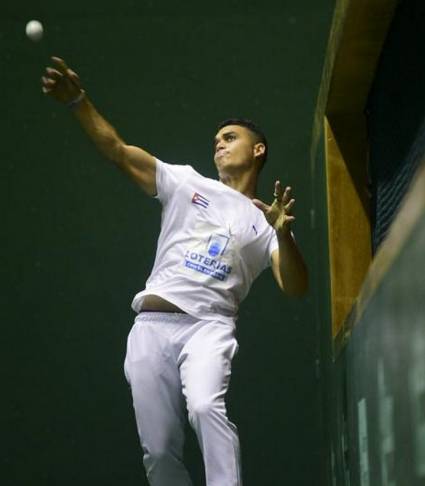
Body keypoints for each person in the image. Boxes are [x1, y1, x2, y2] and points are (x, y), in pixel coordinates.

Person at [41, 56, 308, 486]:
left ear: (258, 150)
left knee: (205, 407)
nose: (218, 143)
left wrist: (285, 235)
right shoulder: (185, 182)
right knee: (160, 452)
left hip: (209, 328)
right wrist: (79, 103)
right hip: (150, 327)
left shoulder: (266, 222)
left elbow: (295, 287)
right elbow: (117, 151)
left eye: (230, 137)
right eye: (216, 139)